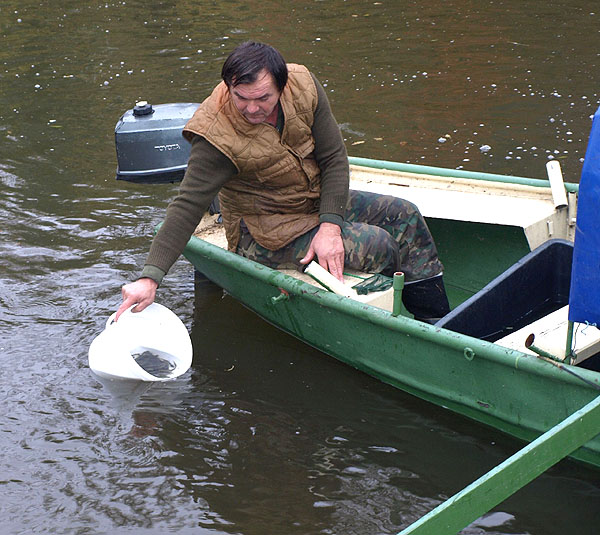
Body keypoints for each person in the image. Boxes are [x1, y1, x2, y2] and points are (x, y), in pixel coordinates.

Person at [116, 41, 449, 323]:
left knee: (405, 214)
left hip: (311, 200)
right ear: (229, 86)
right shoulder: (214, 134)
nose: (251, 108)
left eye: (262, 98)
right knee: (377, 245)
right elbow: (187, 206)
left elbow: (334, 158)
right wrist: (150, 277)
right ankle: (383, 325)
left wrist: (329, 226)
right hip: (264, 231)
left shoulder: (303, 85)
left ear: (282, 85)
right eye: (240, 97)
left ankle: (437, 324)